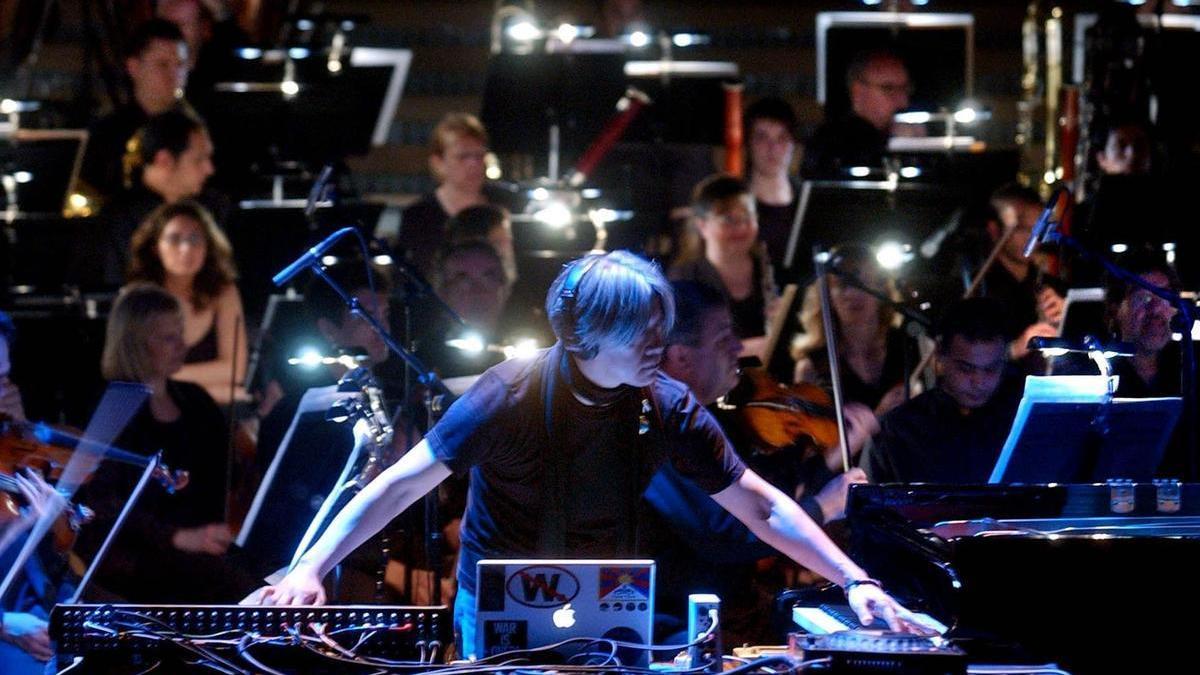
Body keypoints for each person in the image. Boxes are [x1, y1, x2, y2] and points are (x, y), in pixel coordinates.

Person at [246, 251, 938, 658]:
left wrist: (856, 580)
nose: (657, 343)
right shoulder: (507, 393)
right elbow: (400, 485)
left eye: (660, 326)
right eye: (641, 329)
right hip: (500, 604)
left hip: (613, 604)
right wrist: (310, 568)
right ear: (584, 334)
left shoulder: (664, 401)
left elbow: (756, 500)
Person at [645, 280, 872, 645]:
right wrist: (823, 507)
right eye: (723, 340)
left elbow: (769, 494)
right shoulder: (659, 426)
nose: (739, 348)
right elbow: (725, 533)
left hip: (721, 617)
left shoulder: (710, 420)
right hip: (670, 632)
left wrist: (825, 466)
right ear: (680, 357)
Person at [75, 285, 257, 602]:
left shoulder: (195, 400)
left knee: (272, 572)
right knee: (242, 589)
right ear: (135, 344)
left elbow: (226, 476)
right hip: (137, 556)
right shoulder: (112, 407)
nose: (182, 346)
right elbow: (103, 501)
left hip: (201, 547)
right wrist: (178, 537)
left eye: (181, 335)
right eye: (168, 338)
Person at [861, 297, 1022, 484]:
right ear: (939, 355)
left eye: (991, 369)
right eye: (966, 369)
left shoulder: (1020, 422)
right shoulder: (897, 432)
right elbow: (869, 507)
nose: (979, 382)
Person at [87, 109, 226, 287]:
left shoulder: (213, 208)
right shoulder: (118, 221)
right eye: (199, 159)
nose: (209, 169)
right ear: (164, 160)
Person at [127, 199, 247, 404]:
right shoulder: (138, 296)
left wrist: (167, 378)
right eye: (174, 239)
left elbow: (234, 371)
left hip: (214, 412)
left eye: (194, 239)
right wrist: (214, 389)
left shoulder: (224, 292)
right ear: (156, 246)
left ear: (208, 246)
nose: (185, 249)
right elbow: (137, 376)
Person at [792, 245, 913, 418]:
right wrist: (878, 417)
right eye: (842, 285)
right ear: (826, 296)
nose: (853, 293)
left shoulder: (909, 344)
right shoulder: (812, 367)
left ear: (882, 290)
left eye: (863, 283)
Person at [79, 19, 191, 204]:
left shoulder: (196, 129)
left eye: (180, 65)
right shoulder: (106, 134)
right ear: (134, 67)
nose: (175, 76)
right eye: (162, 65)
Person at [670, 175, 779, 356]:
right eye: (728, 220)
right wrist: (757, 347)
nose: (741, 227)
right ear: (702, 225)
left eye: (747, 217)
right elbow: (686, 352)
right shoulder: (684, 279)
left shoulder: (770, 267)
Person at [398, 113, 514, 278]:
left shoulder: (504, 202)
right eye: (463, 156)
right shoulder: (419, 216)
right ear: (438, 162)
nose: (474, 164)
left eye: (479, 156)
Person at [977, 184, 1064, 362]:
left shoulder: (1050, 285)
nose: (1033, 238)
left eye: (1038, 229)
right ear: (994, 230)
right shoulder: (978, 288)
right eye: (1022, 228)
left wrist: (1063, 321)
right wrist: (1014, 349)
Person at [802, 49, 915, 178]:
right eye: (889, 89)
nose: (903, 101)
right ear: (859, 91)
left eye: (905, 89)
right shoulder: (833, 142)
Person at [744, 97, 805, 282]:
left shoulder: (807, 199)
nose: (773, 148)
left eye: (782, 138)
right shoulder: (733, 200)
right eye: (762, 137)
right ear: (748, 143)